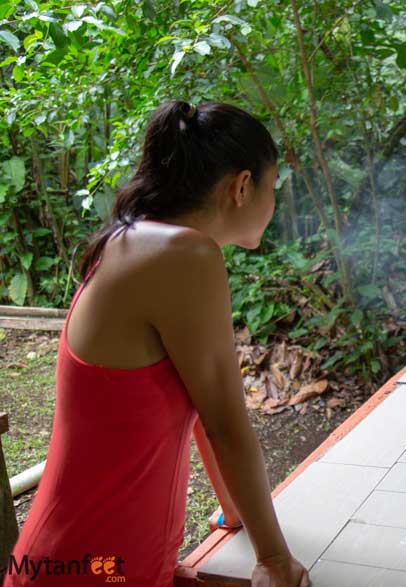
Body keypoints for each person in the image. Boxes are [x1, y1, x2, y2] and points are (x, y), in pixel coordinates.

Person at [5, 102, 310, 586]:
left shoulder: (134, 239)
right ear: (242, 186)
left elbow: (203, 410)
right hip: (88, 564)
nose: (273, 204)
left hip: (94, 559)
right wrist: (273, 559)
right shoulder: (184, 254)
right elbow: (226, 423)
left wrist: (233, 515)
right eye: (272, 189)